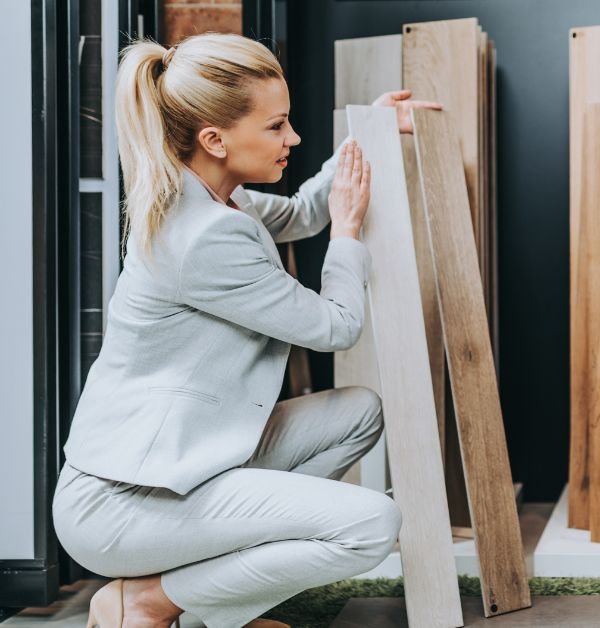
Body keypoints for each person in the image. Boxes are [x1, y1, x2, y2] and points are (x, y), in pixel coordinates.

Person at [52, 33, 438, 628]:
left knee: (359, 411)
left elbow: (304, 211)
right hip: (125, 505)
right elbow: (336, 326)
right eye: (277, 126)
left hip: (184, 468)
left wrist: (369, 135)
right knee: (370, 525)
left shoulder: (215, 200)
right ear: (216, 139)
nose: (294, 139)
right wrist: (348, 236)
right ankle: (147, 602)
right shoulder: (205, 237)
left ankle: (208, 596)